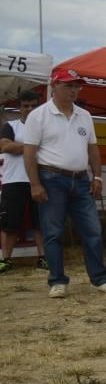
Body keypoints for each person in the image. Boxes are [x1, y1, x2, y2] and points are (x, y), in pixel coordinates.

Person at [21, 68, 106, 297]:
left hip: (80, 180)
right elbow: (29, 153)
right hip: (50, 179)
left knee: (93, 230)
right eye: (68, 85)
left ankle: (99, 279)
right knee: (53, 232)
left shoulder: (84, 115)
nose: (74, 90)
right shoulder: (38, 115)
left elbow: (92, 149)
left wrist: (97, 176)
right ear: (54, 86)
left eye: (77, 86)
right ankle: (57, 281)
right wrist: (35, 184)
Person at [0, 91, 45, 273]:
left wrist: (20, 147)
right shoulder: (10, 125)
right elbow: (6, 146)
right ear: (19, 108)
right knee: (9, 224)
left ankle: (43, 258)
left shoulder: (45, 127)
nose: (30, 109)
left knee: (40, 223)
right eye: (26, 106)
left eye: (33, 106)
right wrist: (33, 147)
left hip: (41, 180)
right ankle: (6, 260)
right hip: (14, 180)